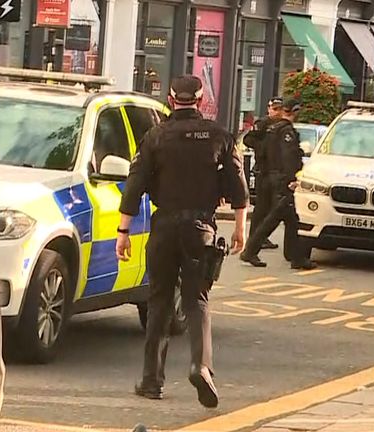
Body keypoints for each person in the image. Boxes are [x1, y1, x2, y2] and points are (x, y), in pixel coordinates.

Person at [115, 76, 249, 408]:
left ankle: (151, 381)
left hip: (164, 227)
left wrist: (123, 231)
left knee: (159, 301)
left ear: (172, 101)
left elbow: (135, 184)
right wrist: (240, 229)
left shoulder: (156, 136)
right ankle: (200, 366)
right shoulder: (219, 136)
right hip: (200, 228)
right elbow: (237, 186)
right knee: (196, 300)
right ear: (201, 102)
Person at [240, 98, 317, 270]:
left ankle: (295, 257)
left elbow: (265, 151)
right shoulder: (285, 131)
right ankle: (251, 250)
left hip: (272, 176)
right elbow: (288, 158)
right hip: (282, 179)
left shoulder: (273, 129)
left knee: (291, 219)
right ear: (294, 112)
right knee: (275, 217)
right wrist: (292, 179)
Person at [244, 97, 285, 250]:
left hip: (275, 170)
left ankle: (262, 237)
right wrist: (262, 149)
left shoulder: (281, 125)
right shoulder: (263, 123)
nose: (276, 111)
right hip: (263, 170)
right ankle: (254, 237)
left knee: (269, 207)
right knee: (262, 206)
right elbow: (248, 140)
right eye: (273, 108)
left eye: (278, 108)